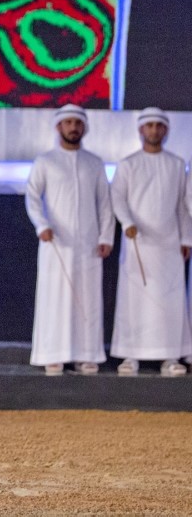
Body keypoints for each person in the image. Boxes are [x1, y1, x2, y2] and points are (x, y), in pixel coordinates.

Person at [25, 104, 114, 376]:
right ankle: (53, 355)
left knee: (87, 300)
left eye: (78, 123)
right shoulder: (45, 161)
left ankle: (86, 356)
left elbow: (105, 204)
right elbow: (32, 197)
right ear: (59, 127)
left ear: (84, 127)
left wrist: (106, 236)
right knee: (55, 299)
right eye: (68, 123)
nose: (73, 127)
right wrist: (42, 225)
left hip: (89, 245)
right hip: (56, 245)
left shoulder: (94, 163)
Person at [110, 107, 192, 377]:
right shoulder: (128, 164)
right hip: (138, 244)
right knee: (135, 300)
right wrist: (128, 223)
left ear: (166, 130)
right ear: (141, 130)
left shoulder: (177, 164)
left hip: (169, 245)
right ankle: (130, 356)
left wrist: (186, 238)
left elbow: (182, 206)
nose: (154, 131)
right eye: (150, 126)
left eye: (159, 126)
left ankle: (170, 357)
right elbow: (117, 197)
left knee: (169, 300)